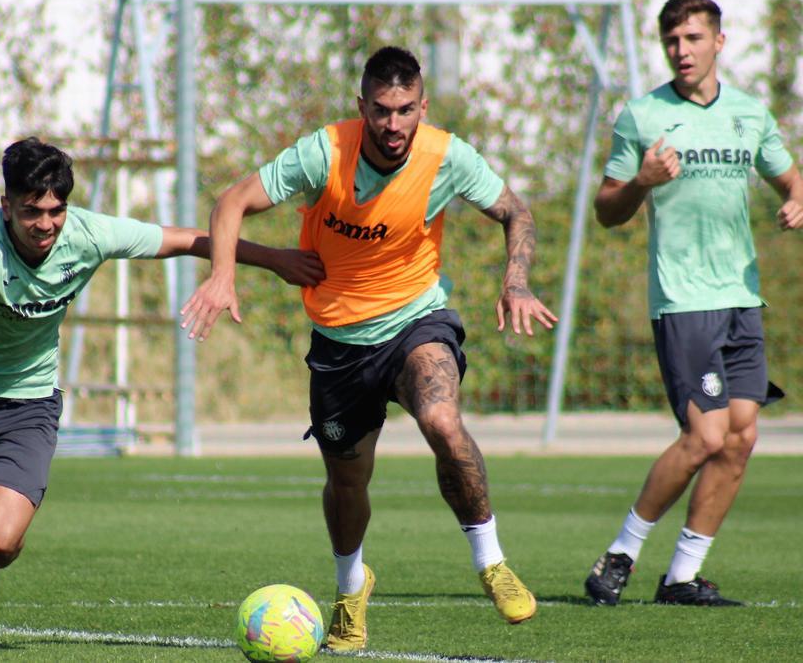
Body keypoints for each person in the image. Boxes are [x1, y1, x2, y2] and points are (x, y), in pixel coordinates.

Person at [0, 137, 323, 651]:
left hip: (26, 406)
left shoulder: (88, 234)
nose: (46, 225)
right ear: (7, 204)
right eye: (32, 212)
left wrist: (273, 259)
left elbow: (185, 239)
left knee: (0, 540)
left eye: (56, 211)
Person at [180, 46, 557, 651]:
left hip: (416, 320)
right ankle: (350, 590)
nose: (393, 124)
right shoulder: (325, 151)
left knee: (441, 417)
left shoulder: (446, 157)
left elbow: (516, 211)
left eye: (406, 110)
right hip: (339, 343)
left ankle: (491, 561)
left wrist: (515, 283)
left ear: (422, 107)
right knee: (349, 482)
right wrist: (223, 276)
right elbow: (232, 201)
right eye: (381, 110)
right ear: (363, 107)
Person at [584, 0, 802, 608]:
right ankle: (620, 553)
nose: (682, 51)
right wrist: (641, 183)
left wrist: (796, 196)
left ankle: (681, 575)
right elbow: (606, 209)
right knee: (705, 437)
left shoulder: (750, 114)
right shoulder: (642, 115)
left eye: (693, 39)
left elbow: (789, 175)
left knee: (741, 439)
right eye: (672, 41)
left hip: (742, 296)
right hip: (682, 301)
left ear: (719, 43)